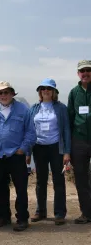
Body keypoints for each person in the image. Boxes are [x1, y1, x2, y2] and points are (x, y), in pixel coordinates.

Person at [0, 81, 36, 231]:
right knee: (0, 188)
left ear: (12, 93)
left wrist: (22, 149)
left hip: (16, 156)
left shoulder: (23, 109)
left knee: (21, 189)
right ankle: (4, 217)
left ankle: (22, 219)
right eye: (0, 93)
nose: (3, 95)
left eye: (6, 92)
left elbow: (31, 132)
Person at [28, 78, 71, 225]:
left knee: (58, 180)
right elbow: (29, 129)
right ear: (40, 92)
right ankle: (41, 211)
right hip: (39, 147)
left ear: (54, 92)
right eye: (43, 88)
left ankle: (59, 213)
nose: (46, 91)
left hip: (55, 148)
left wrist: (67, 152)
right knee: (41, 180)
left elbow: (66, 130)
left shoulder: (61, 108)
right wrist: (28, 152)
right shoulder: (34, 108)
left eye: (49, 89)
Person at [68, 60, 91, 224]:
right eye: (82, 71)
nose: (85, 73)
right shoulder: (74, 93)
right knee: (81, 178)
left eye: (88, 70)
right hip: (79, 141)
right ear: (78, 74)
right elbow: (70, 117)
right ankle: (87, 213)